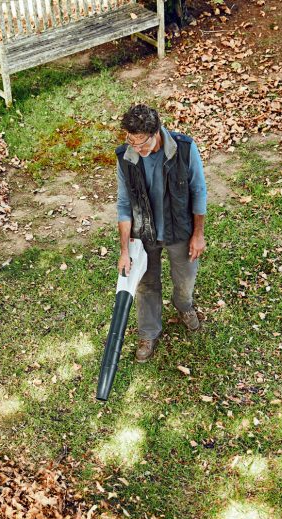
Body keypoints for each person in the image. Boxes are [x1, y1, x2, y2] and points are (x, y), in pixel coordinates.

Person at [115, 104, 206, 362]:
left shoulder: (184, 149)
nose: (137, 150)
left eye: (141, 143)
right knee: (146, 283)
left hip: (179, 229)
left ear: (156, 133)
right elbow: (123, 204)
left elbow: (198, 190)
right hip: (144, 233)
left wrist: (198, 234)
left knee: (185, 281)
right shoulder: (126, 156)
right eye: (131, 142)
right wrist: (125, 251)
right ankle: (148, 331)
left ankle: (184, 307)